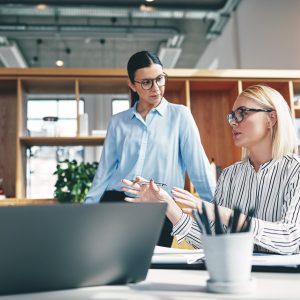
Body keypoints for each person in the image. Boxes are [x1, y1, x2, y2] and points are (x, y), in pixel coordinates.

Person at [121, 84, 300, 254]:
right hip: (236, 275)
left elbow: (290, 238)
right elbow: (211, 239)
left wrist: (222, 214)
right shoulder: (230, 175)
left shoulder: (295, 170)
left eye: (242, 113)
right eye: (232, 116)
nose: (233, 123)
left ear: (271, 118)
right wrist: (167, 205)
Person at [85, 50, 215, 246]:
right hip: (116, 202)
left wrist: (217, 213)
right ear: (132, 85)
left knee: (152, 269)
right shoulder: (118, 122)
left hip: (159, 206)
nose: (156, 88)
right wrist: (87, 211)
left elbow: (199, 169)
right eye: (146, 82)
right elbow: (104, 172)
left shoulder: (180, 116)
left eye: (160, 79)